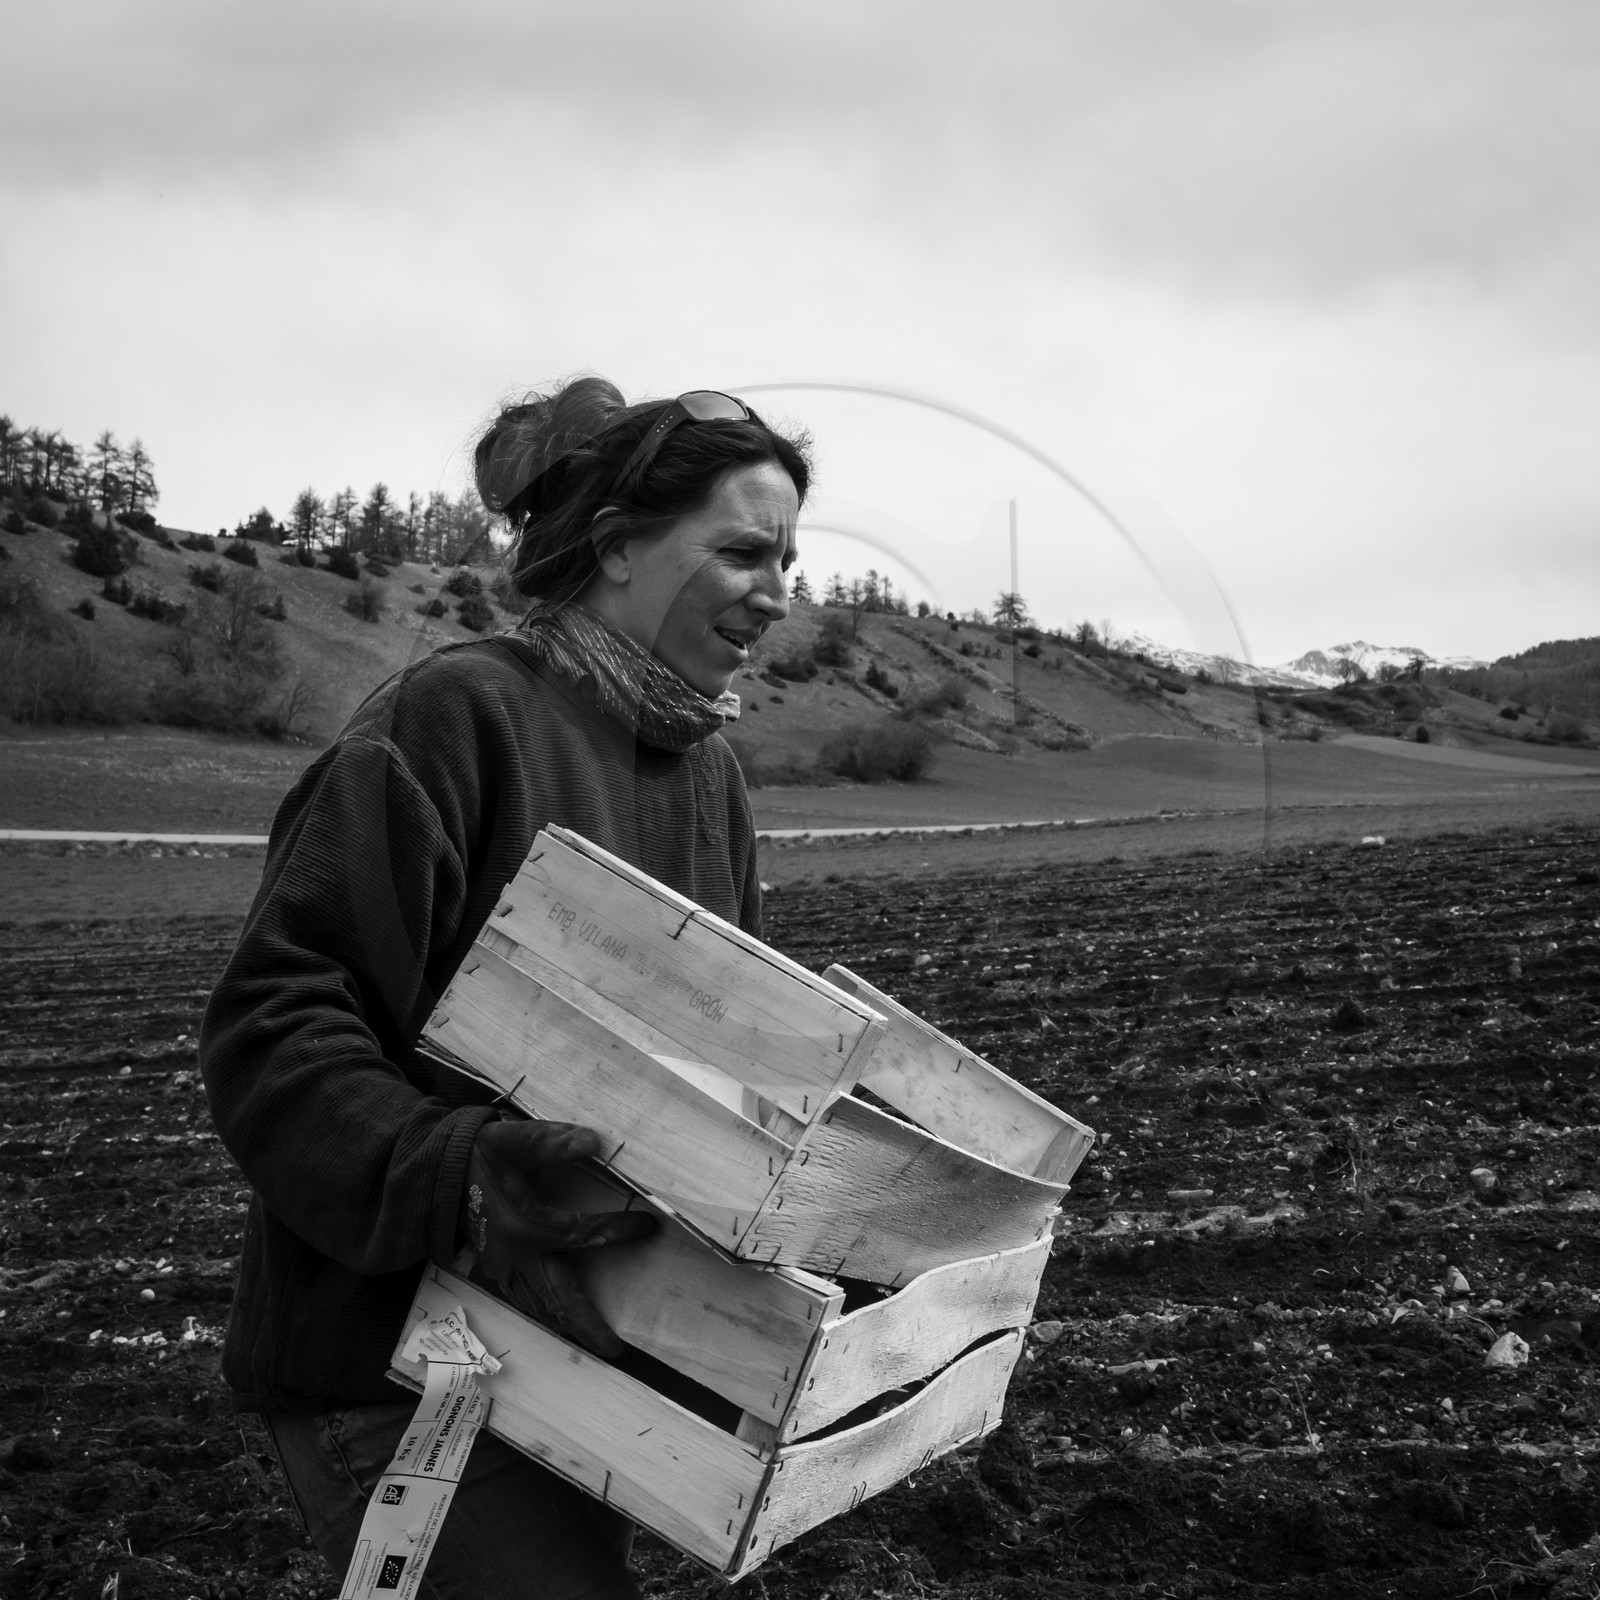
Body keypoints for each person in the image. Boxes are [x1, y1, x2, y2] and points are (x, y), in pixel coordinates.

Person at [199, 376, 810, 1600]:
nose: (778, 592)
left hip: (574, 1364)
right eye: (745, 550)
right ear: (617, 544)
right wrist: (463, 1173)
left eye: (788, 556)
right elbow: (275, 1024)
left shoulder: (707, 777)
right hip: (400, 1366)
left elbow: (720, 1065)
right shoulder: (454, 719)